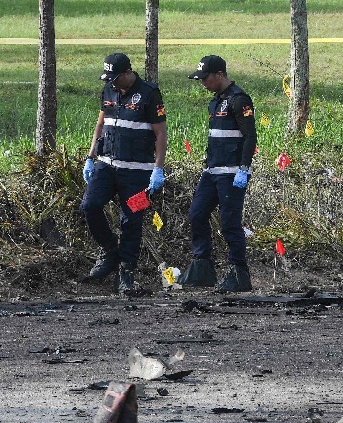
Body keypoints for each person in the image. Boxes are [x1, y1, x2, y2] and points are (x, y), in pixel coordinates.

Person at [80, 52, 167, 297]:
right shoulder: (108, 90)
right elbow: (101, 124)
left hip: (138, 173)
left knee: (131, 221)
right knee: (89, 206)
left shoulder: (149, 94)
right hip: (106, 166)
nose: (112, 83)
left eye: (116, 78)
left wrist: (158, 168)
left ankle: (126, 272)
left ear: (128, 73)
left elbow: (161, 133)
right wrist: (90, 157)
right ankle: (109, 250)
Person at [179, 55, 256, 293]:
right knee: (197, 214)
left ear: (220, 75)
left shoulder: (238, 99)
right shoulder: (215, 102)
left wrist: (244, 168)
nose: (203, 83)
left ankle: (238, 272)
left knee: (229, 223)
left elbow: (250, 137)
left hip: (232, 173)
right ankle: (202, 267)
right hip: (212, 172)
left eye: (206, 78)